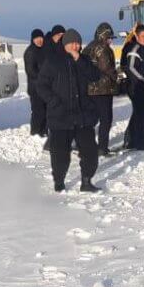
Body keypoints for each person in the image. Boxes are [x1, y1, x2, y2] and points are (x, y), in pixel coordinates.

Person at [35, 28, 102, 193]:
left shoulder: (84, 60)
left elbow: (95, 76)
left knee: (90, 152)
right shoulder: (53, 61)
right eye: (72, 42)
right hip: (60, 116)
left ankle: (86, 181)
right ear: (65, 44)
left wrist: (79, 59)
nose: (75, 45)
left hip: (83, 116)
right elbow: (41, 85)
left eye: (78, 42)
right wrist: (53, 101)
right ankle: (59, 181)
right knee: (60, 154)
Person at [84, 22, 119, 155]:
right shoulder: (103, 48)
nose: (110, 40)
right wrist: (116, 76)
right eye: (109, 37)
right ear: (102, 36)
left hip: (90, 88)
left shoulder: (89, 47)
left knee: (92, 118)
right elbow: (106, 67)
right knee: (106, 119)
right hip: (103, 89)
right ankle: (102, 148)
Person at [23, 28, 47, 136]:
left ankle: (43, 131)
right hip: (35, 88)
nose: (39, 40)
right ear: (33, 39)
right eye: (37, 38)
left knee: (45, 110)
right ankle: (36, 131)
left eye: (41, 38)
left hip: (44, 87)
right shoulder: (30, 52)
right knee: (38, 111)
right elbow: (31, 71)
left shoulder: (43, 51)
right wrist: (44, 78)